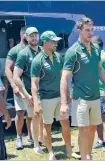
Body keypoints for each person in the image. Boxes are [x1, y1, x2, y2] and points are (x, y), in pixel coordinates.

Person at [60, 17, 105, 160]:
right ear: (79, 31)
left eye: (91, 30)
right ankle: (84, 157)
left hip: (95, 96)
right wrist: (63, 103)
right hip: (80, 98)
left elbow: (100, 69)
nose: (90, 33)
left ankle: (88, 155)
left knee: (93, 128)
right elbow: (64, 78)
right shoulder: (73, 51)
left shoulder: (96, 48)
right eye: (87, 30)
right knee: (83, 129)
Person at [31, 31, 80, 160]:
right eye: (53, 41)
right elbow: (34, 84)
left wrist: (67, 93)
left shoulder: (58, 56)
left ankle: (69, 151)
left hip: (60, 96)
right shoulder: (38, 60)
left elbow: (63, 78)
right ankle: (51, 152)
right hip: (46, 98)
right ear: (45, 42)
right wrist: (36, 103)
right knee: (47, 125)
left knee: (65, 123)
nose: (55, 43)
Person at [13, 27, 44, 154]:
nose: (34, 38)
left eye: (36, 35)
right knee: (34, 117)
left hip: (45, 92)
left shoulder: (43, 51)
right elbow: (16, 76)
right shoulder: (23, 54)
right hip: (31, 93)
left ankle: (42, 140)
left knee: (43, 118)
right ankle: (36, 144)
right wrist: (26, 95)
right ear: (25, 37)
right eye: (31, 35)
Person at [5, 26, 33, 149]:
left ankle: (31, 136)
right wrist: (13, 86)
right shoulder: (15, 50)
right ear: (23, 35)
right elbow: (7, 69)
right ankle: (19, 138)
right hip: (20, 88)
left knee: (32, 113)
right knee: (20, 113)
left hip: (33, 87)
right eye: (29, 35)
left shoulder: (34, 50)